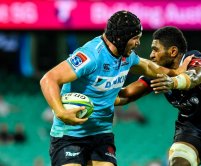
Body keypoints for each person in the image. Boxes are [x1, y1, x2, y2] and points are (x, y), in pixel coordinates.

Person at [40, 11, 191, 166]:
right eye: (135, 39)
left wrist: (176, 73)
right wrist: (60, 112)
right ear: (120, 38)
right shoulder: (91, 55)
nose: (138, 43)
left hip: (101, 134)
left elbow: (148, 67)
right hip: (69, 135)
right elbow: (49, 79)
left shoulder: (127, 56)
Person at [115, 26, 201, 166]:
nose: (151, 55)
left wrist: (173, 82)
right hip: (192, 127)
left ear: (173, 51)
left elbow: (195, 77)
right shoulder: (158, 73)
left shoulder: (198, 62)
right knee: (179, 163)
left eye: (156, 49)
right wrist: (97, 92)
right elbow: (125, 96)